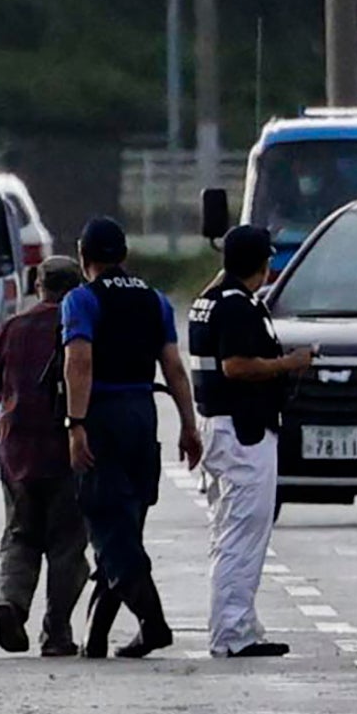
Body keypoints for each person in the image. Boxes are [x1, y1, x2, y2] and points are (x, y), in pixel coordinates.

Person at [57, 214, 203, 660]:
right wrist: (189, 424)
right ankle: (96, 638)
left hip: (103, 415)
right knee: (125, 529)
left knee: (109, 527)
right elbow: (174, 368)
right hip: (144, 415)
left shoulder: (81, 301)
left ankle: (153, 622)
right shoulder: (155, 301)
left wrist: (75, 424)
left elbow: (78, 363)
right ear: (123, 255)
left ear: (84, 259)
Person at [186, 219, 297, 658]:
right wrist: (290, 364)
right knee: (242, 534)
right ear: (263, 263)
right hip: (243, 432)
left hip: (225, 428)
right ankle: (232, 632)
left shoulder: (210, 300)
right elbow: (237, 365)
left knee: (233, 531)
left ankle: (242, 624)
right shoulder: (236, 305)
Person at [0, 255, 91, 654]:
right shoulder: (81, 325)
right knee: (67, 544)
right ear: (77, 286)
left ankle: (12, 604)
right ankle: (56, 632)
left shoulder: (13, 326)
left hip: (17, 451)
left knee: (20, 536)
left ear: (38, 286)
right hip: (66, 448)